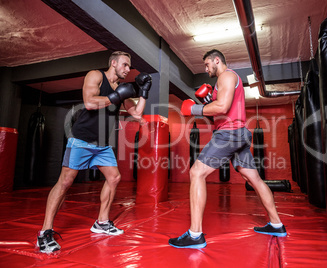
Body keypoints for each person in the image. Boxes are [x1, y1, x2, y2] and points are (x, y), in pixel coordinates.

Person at [36, 51, 152, 253]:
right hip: (81, 139)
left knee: (114, 177)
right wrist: (116, 96)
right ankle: (44, 232)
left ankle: (101, 222)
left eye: (129, 67)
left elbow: (137, 113)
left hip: (103, 144)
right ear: (113, 63)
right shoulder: (96, 75)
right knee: (65, 182)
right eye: (125, 65)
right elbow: (89, 102)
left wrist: (144, 91)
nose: (128, 69)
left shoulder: (122, 88)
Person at [169, 49, 286, 249]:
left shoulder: (227, 76)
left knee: (196, 173)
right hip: (238, 133)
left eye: (207, 64)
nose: (206, 69)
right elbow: (219, 114)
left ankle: (195, 235)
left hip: (229, 134)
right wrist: (207, 104)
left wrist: (194, 109)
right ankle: (276, 224)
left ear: (217, 60)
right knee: (254, 179)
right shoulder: (223, 82)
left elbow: (222, 107)